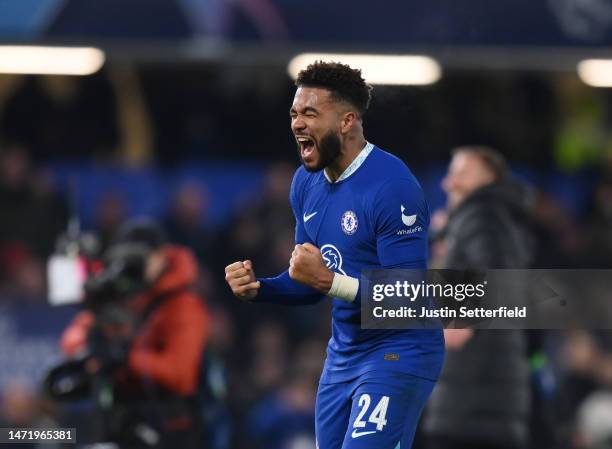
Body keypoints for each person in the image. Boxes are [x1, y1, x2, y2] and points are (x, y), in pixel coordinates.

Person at [225, 61, 444, 449]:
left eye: (310, 113)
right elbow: (308, 285)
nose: (297, 123)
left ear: (347, 121)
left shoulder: (393, 187)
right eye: (294, 113)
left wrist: (330, 281)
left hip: (398, 352)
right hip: (342, 357)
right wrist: (260, 288)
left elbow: (409, 298)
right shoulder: (305, 183)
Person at [59, 219, 209, 449]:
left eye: (141, 257)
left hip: (170, 428)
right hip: (121, 420)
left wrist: (128, 357)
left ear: (162, 256)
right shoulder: (119, 297)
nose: (133, 265)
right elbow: (72, 340)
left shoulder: (183, 305)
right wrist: (93, 345)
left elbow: (181, 377)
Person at [424, 146, 534, 449]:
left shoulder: (481, 215)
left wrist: (458, 322)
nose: (448, 183)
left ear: (487, 180)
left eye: (460, 174)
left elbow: (490, 275)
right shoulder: (495, 220)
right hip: (485, 402)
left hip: (470, 406)